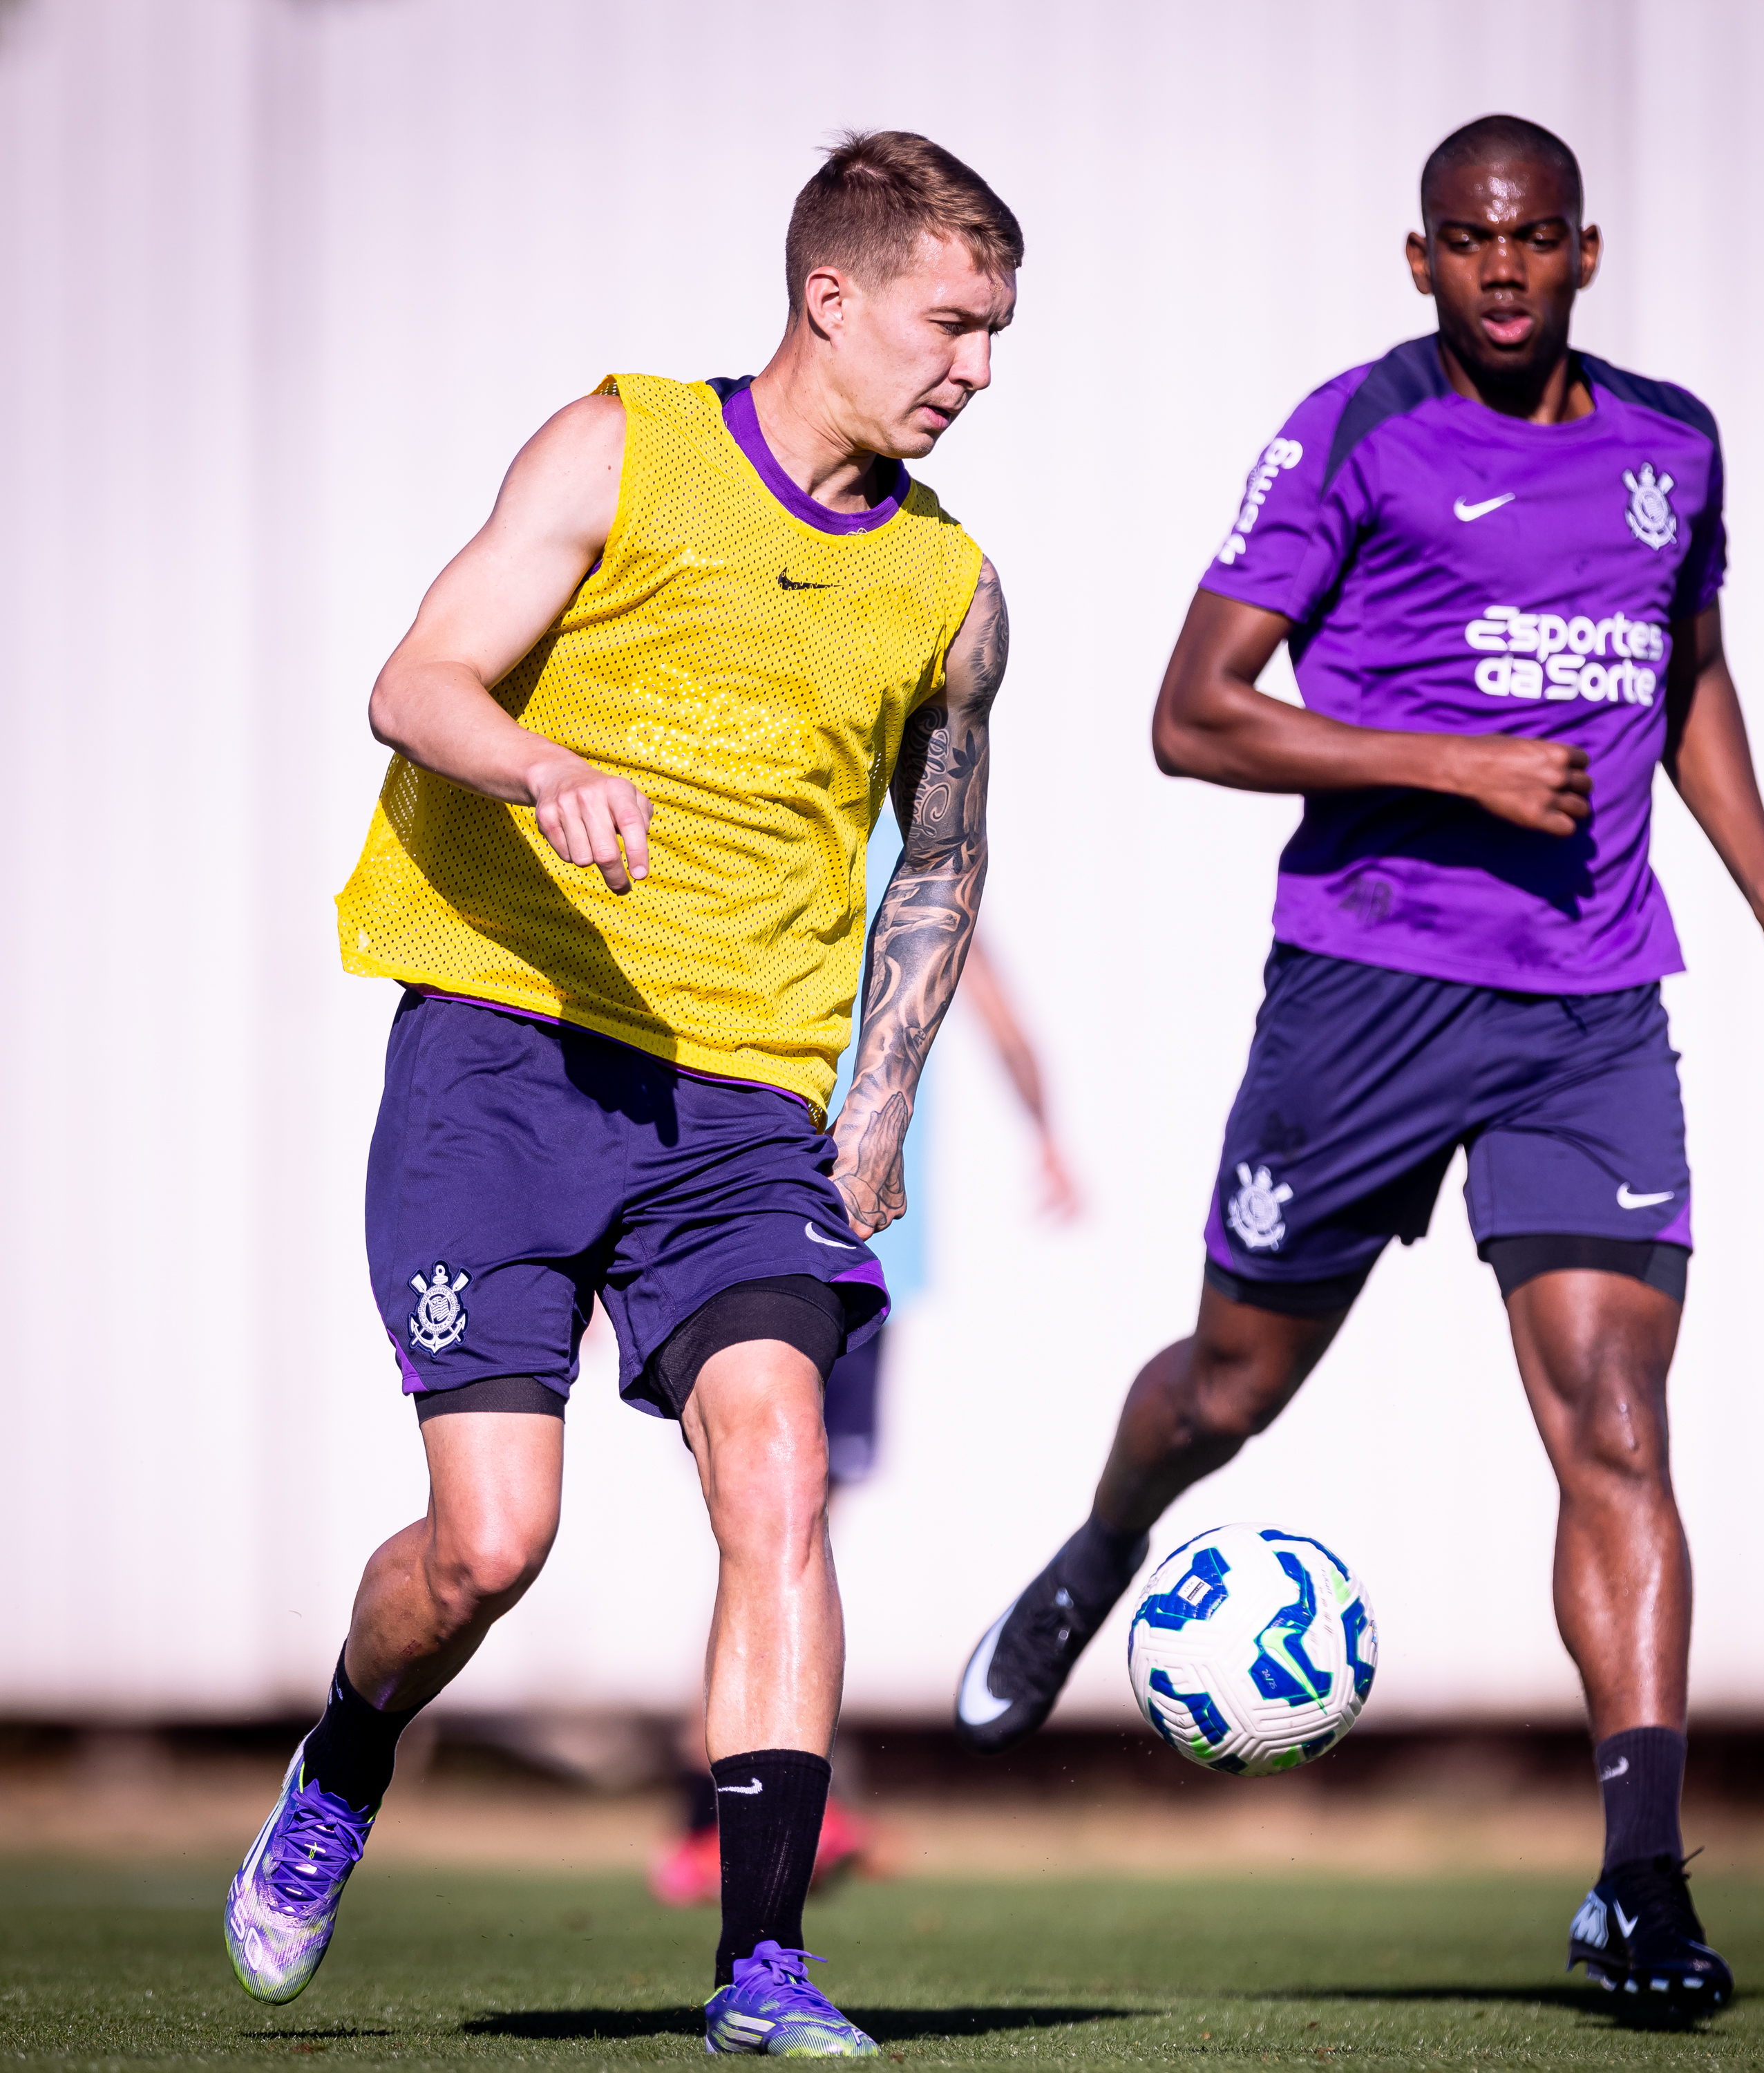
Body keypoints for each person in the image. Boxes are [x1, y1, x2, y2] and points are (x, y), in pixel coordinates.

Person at [954, 113, 1764, 2017]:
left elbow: (1681, 664)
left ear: (1584, 252)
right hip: (1365, 998)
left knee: (1615, 1421)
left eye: (1533, 237)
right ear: (1417, 259)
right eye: (1465, 239)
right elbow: (1190, 717)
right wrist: (1450, 763)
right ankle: (1101, 1545)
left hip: (1589, 1008)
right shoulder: (1354, 431)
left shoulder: (1670, 443)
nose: (1499, 267)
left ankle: (1639, 1881)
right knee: (1232, 1385)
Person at [224, 129, 1022, 2058]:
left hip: (742, 1106)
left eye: (999, 334)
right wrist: (539, 771)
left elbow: (938, 863)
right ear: (829, 299)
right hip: (498, 1057)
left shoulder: (950, 591)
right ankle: (345, 1755)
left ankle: (763, 1963)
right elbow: (418, 681)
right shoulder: (618, 443)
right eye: (952, 324)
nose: (977, 369)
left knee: (777, 1475)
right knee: (489, 1546)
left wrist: (884, 1103)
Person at [650, 919, 1080, 1906]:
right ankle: (711, 1816)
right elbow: (1003, 1019)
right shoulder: (907, 849)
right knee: (775, 1528)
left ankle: (731, 1806)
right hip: (807, 1241)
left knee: (775, 1527)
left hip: (776, 1241)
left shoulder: (823, 840)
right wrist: (1048, 1136)